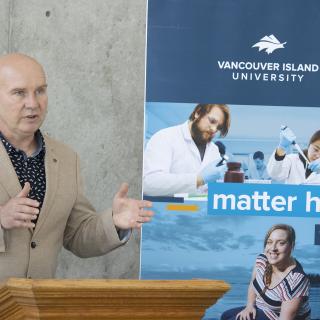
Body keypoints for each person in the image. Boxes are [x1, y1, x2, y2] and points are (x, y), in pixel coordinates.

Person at [0, 53, 154, 280]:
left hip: (38, 308)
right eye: (19, 93)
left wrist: (113, 222)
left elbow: (77, 234)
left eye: (40, 91)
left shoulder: (66, 158)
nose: (33, 103)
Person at [221, 224, 311, 320]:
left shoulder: (296, 280)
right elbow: (253, 283)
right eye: (269, 242)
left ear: (291, 246)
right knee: (225, 316)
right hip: (263, 308)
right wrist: (250, 306)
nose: (273, 248)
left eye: (281, 243)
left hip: (279, 316)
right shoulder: (262, 259)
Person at [143, 104, 231, 196]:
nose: (214, 129)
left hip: (202, 209)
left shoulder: (213, 150)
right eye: (212, 121)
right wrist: (198, 179)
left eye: (218, 128)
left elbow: (209, 189)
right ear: (198, 113)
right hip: (170, 209)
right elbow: (149, 183)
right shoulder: (165, 137)